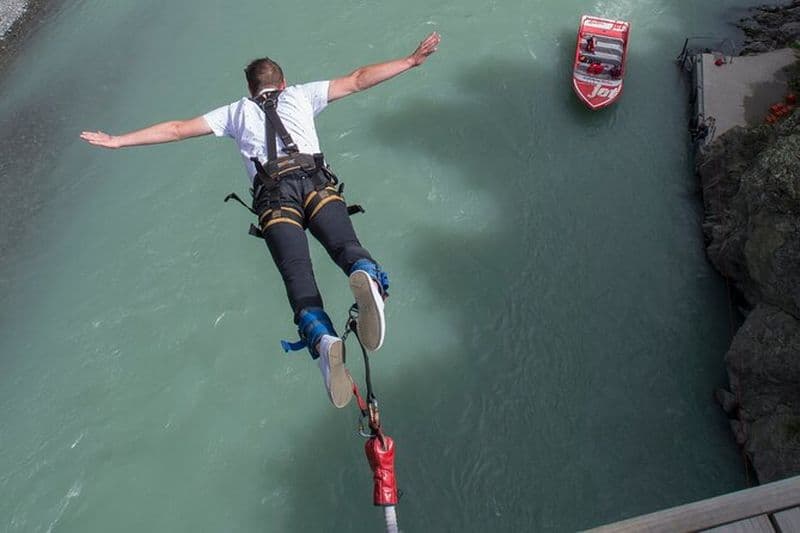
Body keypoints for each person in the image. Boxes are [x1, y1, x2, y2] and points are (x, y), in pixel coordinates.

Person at [81, 32, 441, 409]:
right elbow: (357, 78)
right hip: (317, 185)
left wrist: (119, 140)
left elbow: (175, 129)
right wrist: (410, 60)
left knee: (299, 278)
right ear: (281, 83)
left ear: (250, 90)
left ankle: (324, 341)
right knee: (346, 248)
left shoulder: (234, 113)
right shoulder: (301, 95)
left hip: (274, 201)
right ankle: (365, 274)